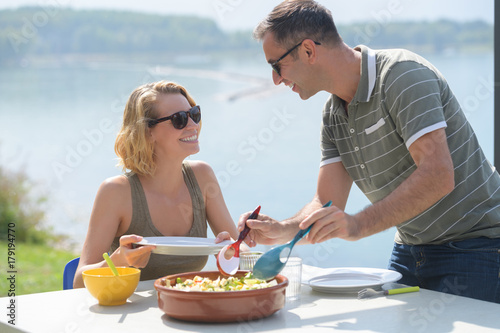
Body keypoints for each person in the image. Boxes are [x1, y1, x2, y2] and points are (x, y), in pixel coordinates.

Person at [239, 0, 500, 303]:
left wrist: (357, 225)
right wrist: (281, 231)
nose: (275, 79)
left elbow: (438, 175)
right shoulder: (333, 115)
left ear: (309, 51)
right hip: (410, 250)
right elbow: (325, 202)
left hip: (476, 247)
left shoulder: (402, 76)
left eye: (276, 65)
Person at [74, 80, 238, 288]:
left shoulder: (202, 177)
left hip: (189, 311)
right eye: (179, 119)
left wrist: (229, 251)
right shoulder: (116, 192)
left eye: (194, 114)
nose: (193, 125)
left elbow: (241, 261)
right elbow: (79, 282)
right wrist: (119, 261)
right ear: (147, 132)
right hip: (133, 315)